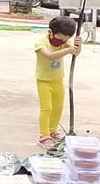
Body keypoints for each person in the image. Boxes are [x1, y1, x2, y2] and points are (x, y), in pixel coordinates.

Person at [34, 16, 81, 148]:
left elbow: (76, 52)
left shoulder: (64, 42)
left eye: (66, 39)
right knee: (46, 108)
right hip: (43, 81)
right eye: (60, 38)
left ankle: (52, 130)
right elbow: (49, 56)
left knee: (57, 108)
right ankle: (43, 135)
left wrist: (78, 45)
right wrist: (67, 50)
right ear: (50, 32)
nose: (62, 41)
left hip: (57, 80)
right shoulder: (41, 43)